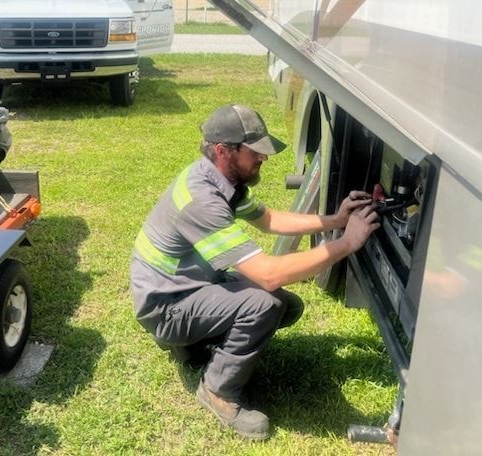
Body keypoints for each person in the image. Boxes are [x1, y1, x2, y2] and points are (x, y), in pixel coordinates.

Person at [130, 104, 379, 440]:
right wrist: (346, 244)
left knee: (286, 306)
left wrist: (337, 220)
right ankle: (217, 390)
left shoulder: (220, 180)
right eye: (255, 152)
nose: (264, 158)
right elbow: (269, 274)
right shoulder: (203, 200)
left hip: (183, 287)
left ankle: (192, 345)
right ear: (223, 151)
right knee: (265, 304)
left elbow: (271, 220)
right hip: (165, 307)